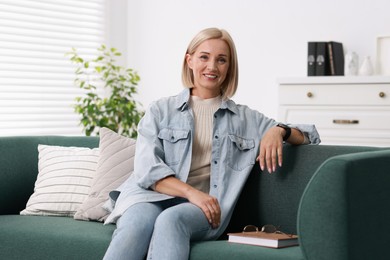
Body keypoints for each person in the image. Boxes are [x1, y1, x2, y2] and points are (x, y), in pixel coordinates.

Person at [103, 27, 320, 260]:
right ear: (190, 60)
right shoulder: (160, 110)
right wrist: (192, 193)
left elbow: (311, 135)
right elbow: (147, 169)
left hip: (202, 209)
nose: (212, 67)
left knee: (171, 219)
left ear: (229, 67)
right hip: (148, 196)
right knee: (137, 223)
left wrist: (280, 131)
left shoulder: (246, 119)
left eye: (221, 60)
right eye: (204, 57)